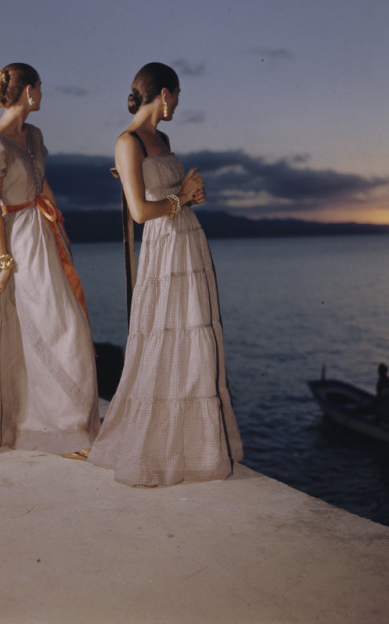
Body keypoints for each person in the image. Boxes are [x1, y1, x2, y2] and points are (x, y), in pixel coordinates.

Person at [86, 62, 243, 485]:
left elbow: (175, 199)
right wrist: (182, 200)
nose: (177, 104)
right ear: (165, 93)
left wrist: (191, 195)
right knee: (165, 335)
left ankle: (197, 448)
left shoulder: (164, 138)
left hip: (189, 243)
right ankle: (158, 448)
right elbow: (139, 213)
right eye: (177, 95)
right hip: (163, 249)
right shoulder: (128, 141)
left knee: (196, 336)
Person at [0, 63, 100, 458]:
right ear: (28, 91)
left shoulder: (34, 135)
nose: (42, 94)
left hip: (45, 233)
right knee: (58, 328)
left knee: (63, 324)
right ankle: (65, 431)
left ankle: (67, 425)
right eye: (40, 87)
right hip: (19, 243)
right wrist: (4, 263)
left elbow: (43, 184)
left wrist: (61, 228)